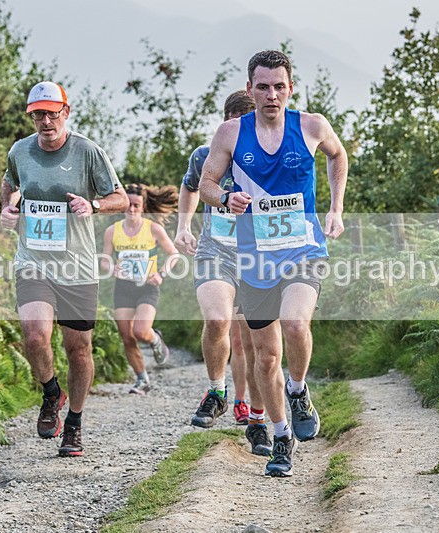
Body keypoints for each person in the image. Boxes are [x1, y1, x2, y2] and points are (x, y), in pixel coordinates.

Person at [199, 50, 348, 477]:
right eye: (262, 87)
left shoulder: (312, 125)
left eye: (279, 86)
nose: (271, 95)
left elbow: (338, 156)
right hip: (254, 257)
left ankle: (298, 390)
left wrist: (336, 208)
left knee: (296, 324)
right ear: (250, 89)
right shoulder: (230, 133)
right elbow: (207, 183)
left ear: (290, 89)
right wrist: (226, 198)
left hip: (303, 249)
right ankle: (281, 436)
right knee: (264, 355)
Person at [0, 81, 128, 457]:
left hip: (77, 267)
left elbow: (119, 197)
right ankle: (51, 393)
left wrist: (95, 206)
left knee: (79, 348)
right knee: (35, 335)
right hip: (33, 261)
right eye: (38, 114)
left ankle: (74, 422)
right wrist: (8, 209)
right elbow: (9, 186)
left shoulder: (88, 151)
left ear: (65, 113)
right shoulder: (19, 151)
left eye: (51, 113)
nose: (45, 121)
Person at [175, 90, 271, 456]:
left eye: (241, 125)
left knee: (255, 342)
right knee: (217, 320)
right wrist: (183, 226)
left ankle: (258, 419)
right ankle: (217, 391)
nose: (233, 131)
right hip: (215, 250)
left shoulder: (268, 157)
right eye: (228, 123)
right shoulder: (204, 155)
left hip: (258, 256)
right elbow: (189, 187)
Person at [100, 183, 179, 395]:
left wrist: (160, 274)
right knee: (127, 336)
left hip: (147, 287)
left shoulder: (153, 229)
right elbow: (104, 260)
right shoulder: (112, 231)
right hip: (123, 288)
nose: (132, 209)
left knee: (141, 331)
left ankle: (156, 339)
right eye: (128, 205)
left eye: (136, 205)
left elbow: (174, 255)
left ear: (143, 207)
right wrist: (112, 267)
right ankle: (142, 379)